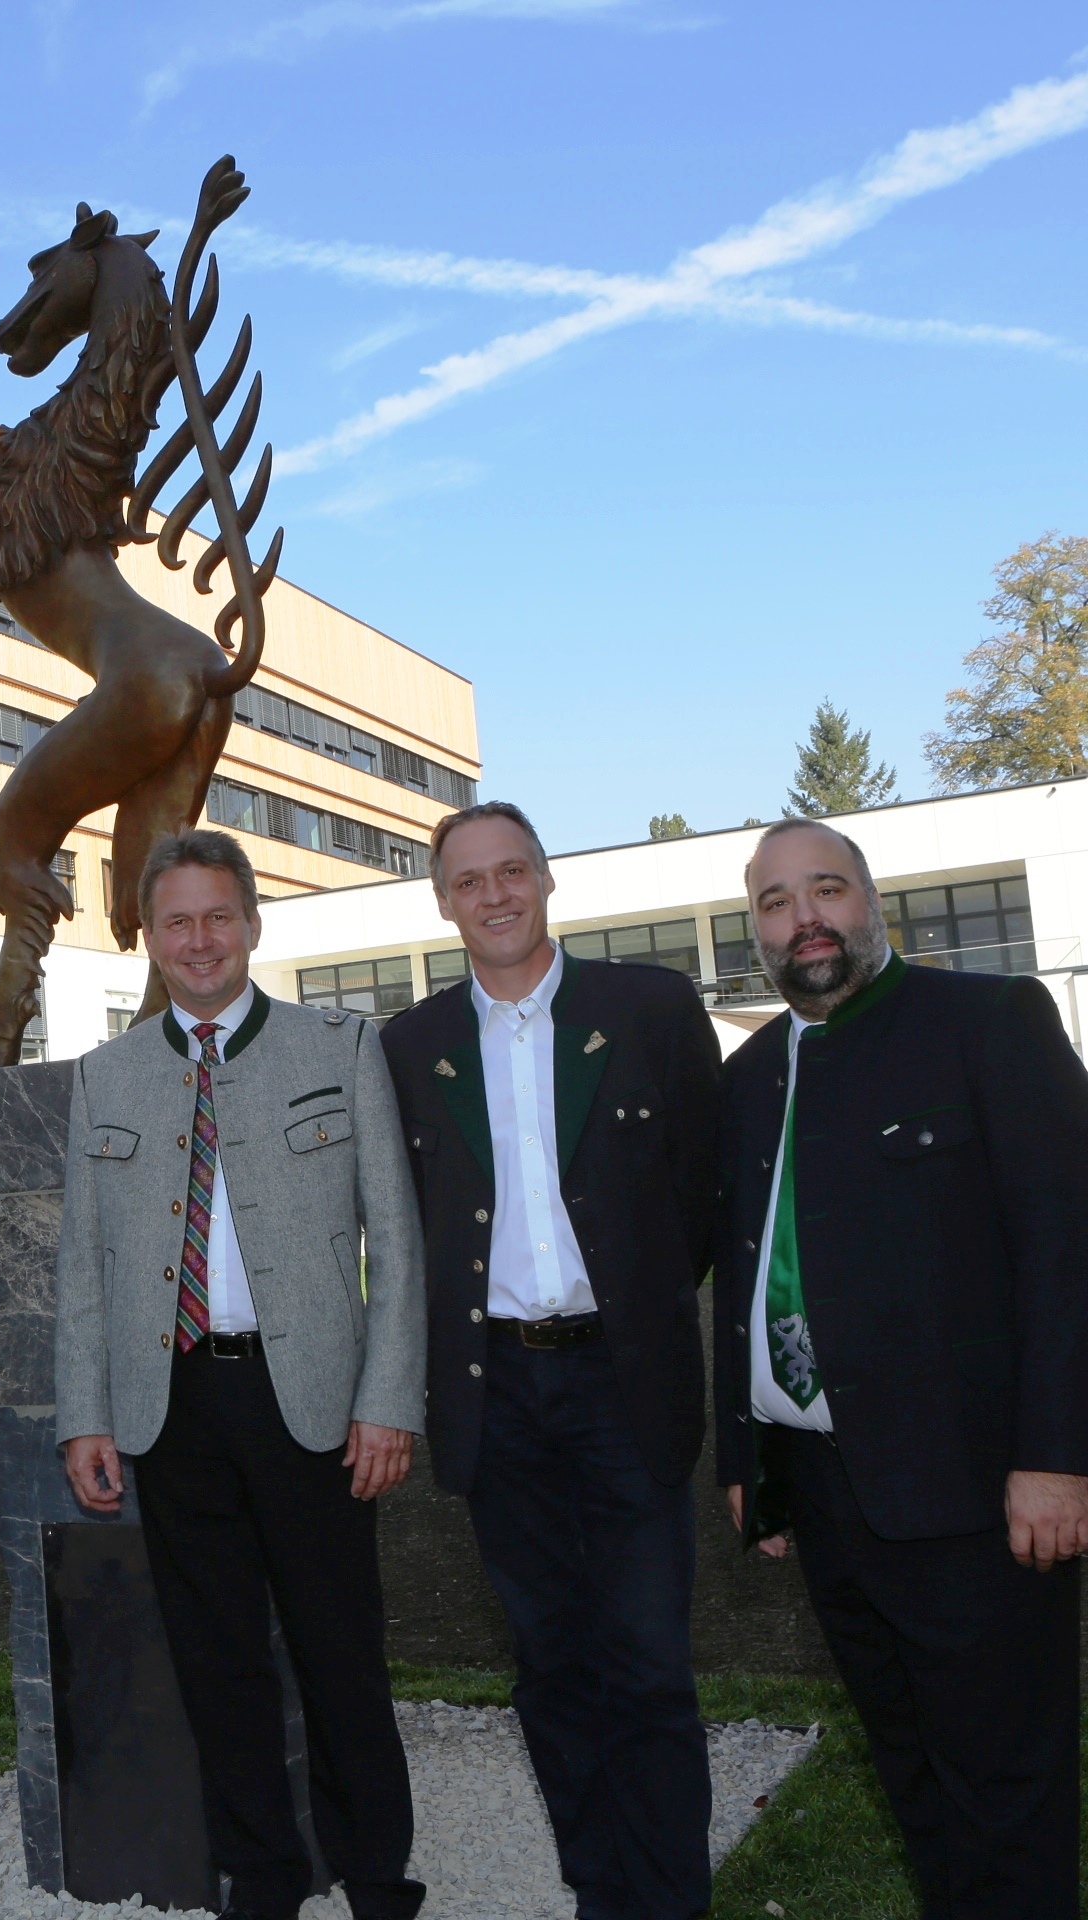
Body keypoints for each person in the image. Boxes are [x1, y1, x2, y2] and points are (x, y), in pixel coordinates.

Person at [717, 821, 1088, 1918]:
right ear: (755, 929)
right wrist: (749, 1457)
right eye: (775, 902)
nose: (804, 918)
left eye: (827, 889)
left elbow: (1073, 1251)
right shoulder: (748, 1077)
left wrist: (1058, 1457)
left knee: (1004, 1788)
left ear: (872, 901)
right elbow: (748, 1267)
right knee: (912, 1774)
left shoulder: (988, 1023)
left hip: (977, 1490)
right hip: (822, 1491)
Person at [55, 829, 428, 1920]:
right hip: (172, 1406)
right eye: (177, 920)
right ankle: (260, 1876)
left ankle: (377, 1873)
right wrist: (84, 1415)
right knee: (216, 1659)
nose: (200, 939)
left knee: (340, 1651)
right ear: (150, 936)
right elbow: (83, 1263)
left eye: (219, 915)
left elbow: (398, 1242)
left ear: (253, 924)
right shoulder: (106, 1074)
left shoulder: (340, 1047)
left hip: (313, 1405)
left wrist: (387, 1401)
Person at [379, 802, 723, 1920]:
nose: (494, 896)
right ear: (443, 901)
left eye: (511, 871)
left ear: (546, 878)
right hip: (496, 1394)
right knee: (552, 1664)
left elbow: (703, 1194)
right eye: (469, 880)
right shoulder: (410, 1046)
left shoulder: (649, 1008)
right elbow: (409, 1222)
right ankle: (600, 1888)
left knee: (649, 1662)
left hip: (624, 1383)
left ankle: (668, 1900)